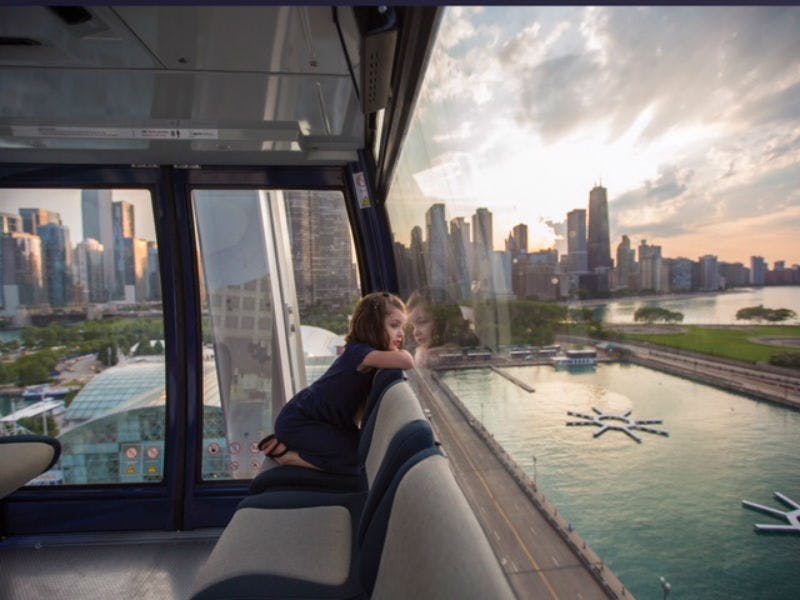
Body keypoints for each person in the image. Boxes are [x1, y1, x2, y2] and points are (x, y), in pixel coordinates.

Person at [258, 292, 414, 475]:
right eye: (394, 325)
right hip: (301, 421)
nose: (401, 334)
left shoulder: (368, 356)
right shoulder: (360, 353)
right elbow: (407, 361)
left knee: (366, 454)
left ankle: (294, 443)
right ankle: (288, 456)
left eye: (403, 327)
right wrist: (404, 353)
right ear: (373, 326)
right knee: (358, 463)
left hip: (325, 422)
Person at [406, 287, 479, 368]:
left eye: (422, 322)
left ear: (442, 321)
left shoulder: (467, 354)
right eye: (412, 325)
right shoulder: (416, 353)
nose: (415, 332)